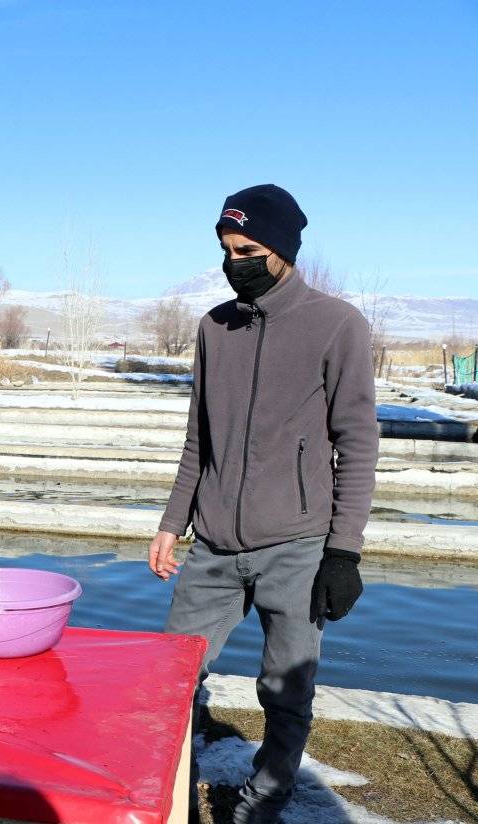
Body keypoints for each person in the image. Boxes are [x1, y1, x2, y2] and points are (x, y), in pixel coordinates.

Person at [147, 184, 378, 823]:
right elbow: (201, 438)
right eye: (225, 249)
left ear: (281, 249)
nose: (233, 261)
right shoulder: (212, 328)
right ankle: (171, 798)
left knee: (285, 688)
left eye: (247, 248)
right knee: (170, 681)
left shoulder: (337, 325)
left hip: (298, 545)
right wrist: (173, 523)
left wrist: (343, 552)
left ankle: (262, 802)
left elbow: (356, 442)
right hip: (214, 544)